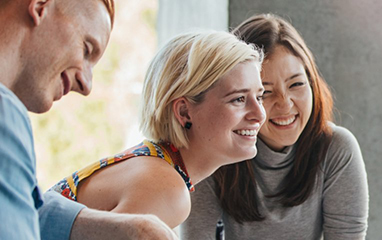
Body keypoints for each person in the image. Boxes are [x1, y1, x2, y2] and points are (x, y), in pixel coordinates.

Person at [0, 0, 178, 239]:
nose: (86, 85)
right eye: (87, 49)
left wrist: (130, 229)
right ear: (40, 5)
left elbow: (8, 202)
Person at [49, 31, 266, 229]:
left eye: (259, 97)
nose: (260, 114)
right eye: (238, 99)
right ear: (184, 112)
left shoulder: (155, 164)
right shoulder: (166, 190)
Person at [177, 14, 368, 239]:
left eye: (296, 84)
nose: (285, 103)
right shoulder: (213, 149)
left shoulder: (336, 148)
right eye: (265, 92)